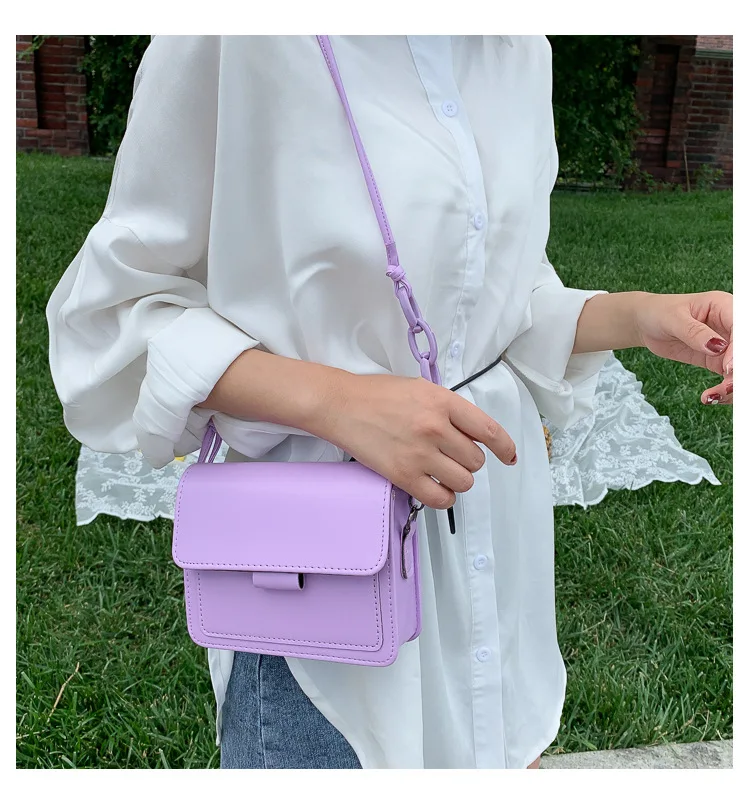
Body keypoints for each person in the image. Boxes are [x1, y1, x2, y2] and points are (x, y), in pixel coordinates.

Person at [46, 35, 733, 770]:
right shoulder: (237, 41)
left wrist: (640, 315)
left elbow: (487, 307)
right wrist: (337, 402)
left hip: (492, 564)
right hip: (318, 588)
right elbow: (107, 317)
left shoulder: (518, 49)